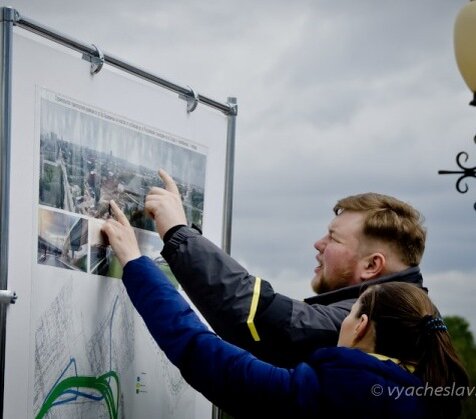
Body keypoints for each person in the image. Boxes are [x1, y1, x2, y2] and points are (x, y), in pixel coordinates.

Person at [101, 201, 468, 419]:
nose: (318, 244)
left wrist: (139, 260)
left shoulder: (338, 391)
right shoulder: (423, 395)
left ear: (359, 327)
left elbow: (209, 348)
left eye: (334, 237)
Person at [143, 169, 428, 367]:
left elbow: (262, 317)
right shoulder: (405, 313)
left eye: (333, 238)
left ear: (371, 265)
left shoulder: (372, 323)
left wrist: (178, 233)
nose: (318, 244)